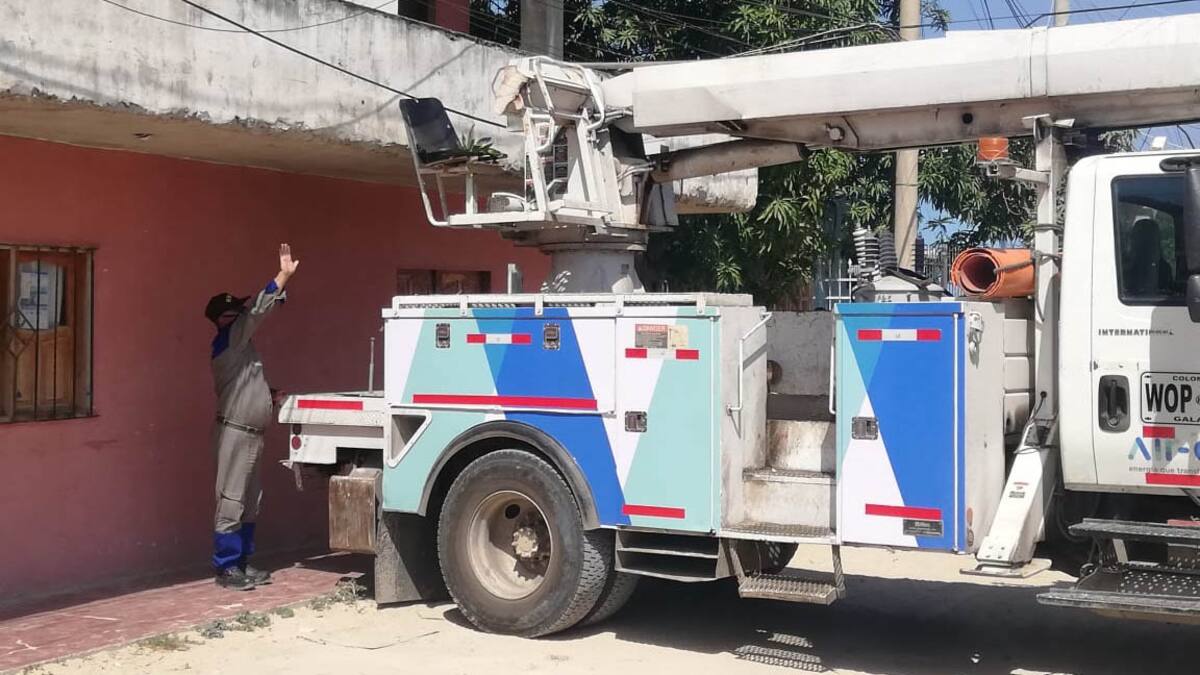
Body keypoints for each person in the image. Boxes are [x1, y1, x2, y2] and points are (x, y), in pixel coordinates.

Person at [204, 244, 300, 590]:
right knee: (231, 500)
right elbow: (258, 311)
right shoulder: (228, 340)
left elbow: (243, 385)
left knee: (250, 502)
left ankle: (242, 561)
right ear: (226, 318)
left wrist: (267, 396)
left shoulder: (241, 348)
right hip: (235, 433)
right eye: (237, 312)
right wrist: (282, 277)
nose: (244, 316)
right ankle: (226, 568)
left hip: (252, 433)